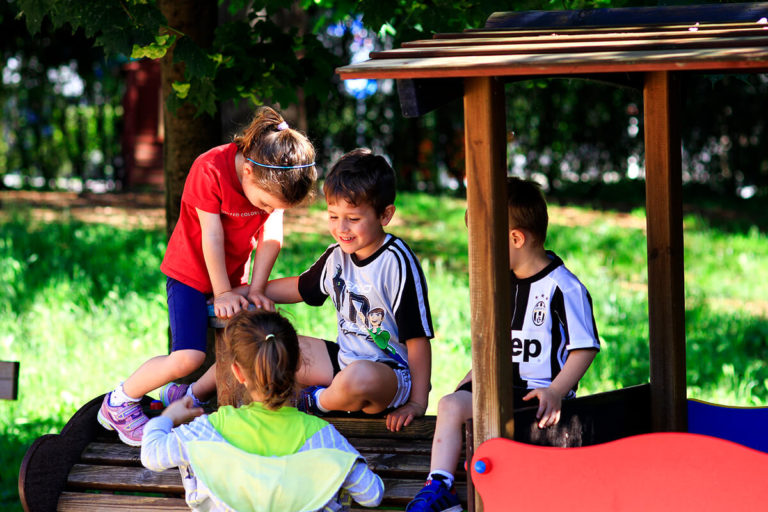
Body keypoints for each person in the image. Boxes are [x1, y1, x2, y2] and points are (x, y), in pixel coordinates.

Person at [98, 106, 317, 446]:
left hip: (233, 279)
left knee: (244, 349)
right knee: (189, 356)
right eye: (264, 203)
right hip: (190, 274)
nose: (266, 211)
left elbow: (272, 239)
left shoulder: (269, 184)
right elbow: (210, 236)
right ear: (247, 170)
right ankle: (119, 402)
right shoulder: (210, 168)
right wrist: (223, 293)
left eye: (274, 208)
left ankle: (186, 395)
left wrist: (256, 289)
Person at [405, 177, 600, 512]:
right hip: (498, 387)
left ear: (515, 238)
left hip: (537, 398)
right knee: (451, 404)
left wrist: (556, 391)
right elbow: (495, 343)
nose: (474, 250)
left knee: (511, 457)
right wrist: (470, 379)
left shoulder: (564, 287)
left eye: (481, 241)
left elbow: (584, 347)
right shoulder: (498, 284)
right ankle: (440, 487)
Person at [141, 309, 384, 512]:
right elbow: (371, 494)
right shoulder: (321, 436)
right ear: (298, 364)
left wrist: (169, 416)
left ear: (236, 373)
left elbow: (152, 454)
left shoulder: (212, 429)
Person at [266, 148, 433, 432]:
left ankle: (314, 401)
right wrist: (250, 291)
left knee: (359, 377)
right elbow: (299, 287)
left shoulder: (396, 261)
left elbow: (417, 339)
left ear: (385, 214)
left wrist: (417, 402)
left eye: (353, 219)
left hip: (386, 377)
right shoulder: (337, 257)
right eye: (333, 216)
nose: (341, 228)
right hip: (343, 361)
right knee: (269, 346)